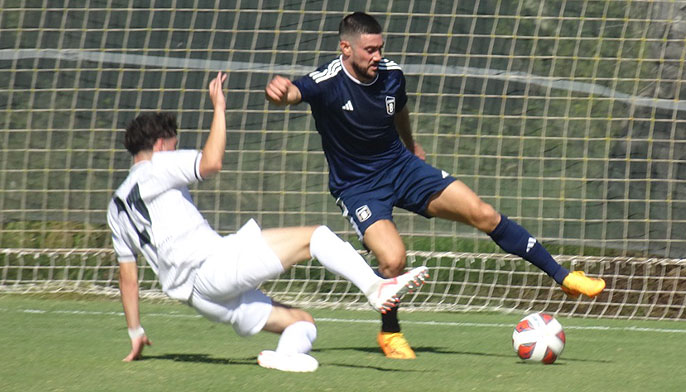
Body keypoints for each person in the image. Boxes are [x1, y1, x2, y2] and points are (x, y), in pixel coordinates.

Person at [265, 12, 606, 360]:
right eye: (369, 50)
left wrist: (410, 144)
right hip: (358, 187)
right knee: (394, 260)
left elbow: (398, 109)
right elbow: (293, 92)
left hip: (402, 166)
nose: (377, 57)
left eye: (380, 48)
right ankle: (390, 332)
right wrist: (280, 93)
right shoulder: (327, 81)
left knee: (484, 214)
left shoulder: (391, 75)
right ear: (346, 48)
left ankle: (564, 278)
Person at [107, 72, 429, 372]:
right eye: (174, 143)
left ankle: (286, 357)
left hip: (201, 298)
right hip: (212, 268)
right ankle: (375, 288)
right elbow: (211, 162)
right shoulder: (157, 165)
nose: (175, 148)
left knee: (302, 322)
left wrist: (135, 330)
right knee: (315, 237)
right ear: (161, 144)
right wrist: (219, 107)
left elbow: (128, 278)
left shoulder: (115, 207)